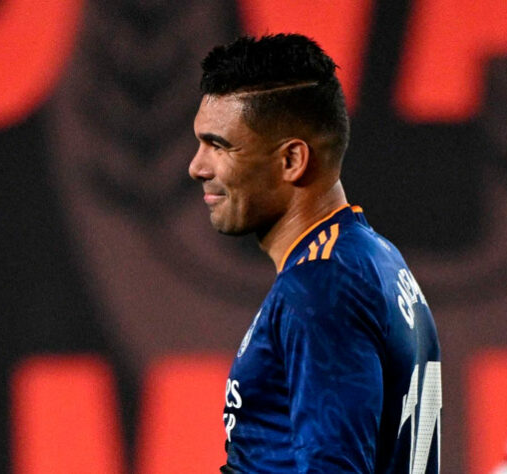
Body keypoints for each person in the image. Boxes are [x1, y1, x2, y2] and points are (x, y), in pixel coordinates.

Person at [188, 34, 442, 473]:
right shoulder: (375, 258)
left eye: (220, 146)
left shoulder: (321, 285)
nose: (197, 167)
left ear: (292, 161)